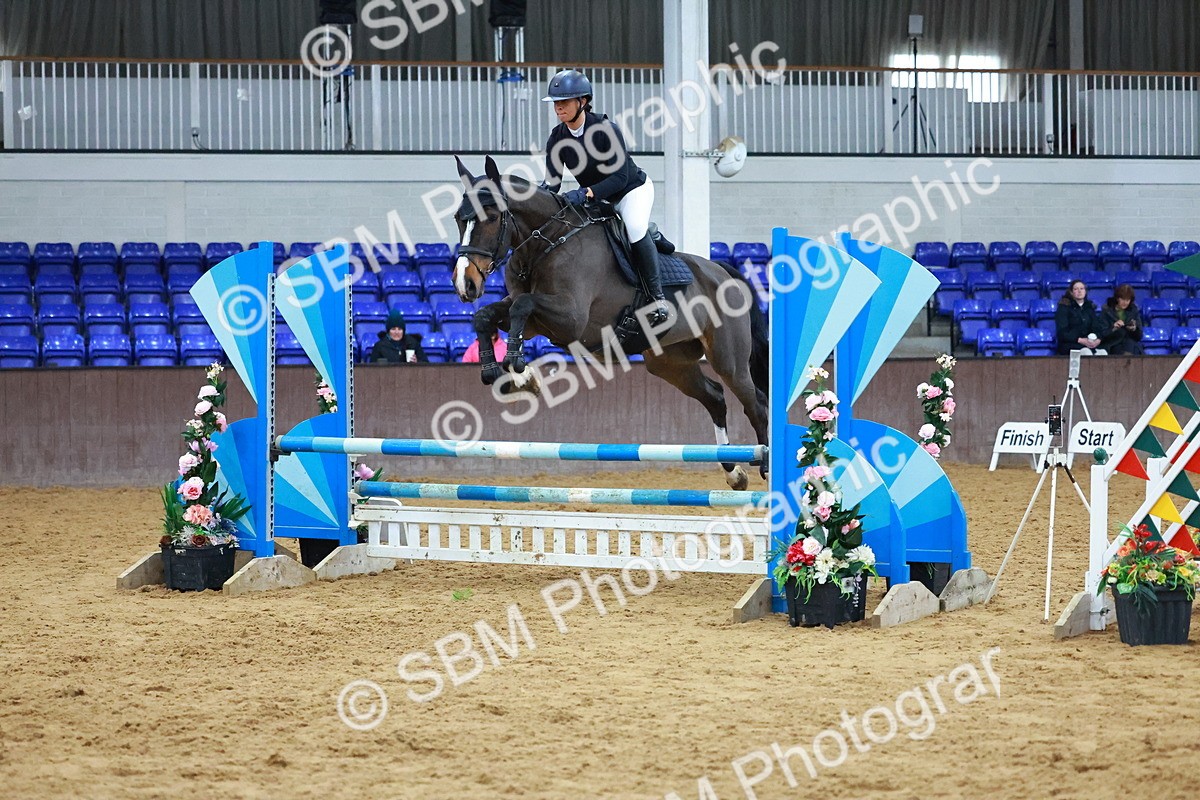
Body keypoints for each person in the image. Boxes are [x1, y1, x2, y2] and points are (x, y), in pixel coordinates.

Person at [539, 69, 669, 324]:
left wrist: (587, 192)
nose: (558, 108)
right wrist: (534, 196)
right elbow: (552, 183)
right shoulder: (557, 138)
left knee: (633, 227)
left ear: (583, 102)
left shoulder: (605, 129)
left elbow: (620, 177)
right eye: (556, 102)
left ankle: (657, 298)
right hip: (599, 199)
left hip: (632, 190)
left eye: (564, 102)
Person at [1055, 279, 1103, 355]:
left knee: (1102, 353)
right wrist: (1081, 340)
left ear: (1085, 291)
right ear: (1071, 292)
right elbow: (1062, 333)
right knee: (1086, 353)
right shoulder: (1064, 307)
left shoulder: (1089, 307)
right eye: (1076, 289)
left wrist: (1098, 340)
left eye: (1081, 288)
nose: (1079, 291)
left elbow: (1096, 327)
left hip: (1089, 344)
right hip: (1070, 344)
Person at [1098, 284, 1144, 355]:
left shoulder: (1133, 310)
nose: (1125, 303)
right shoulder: (1106, 311)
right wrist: (1114, 328)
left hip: (1130, 344)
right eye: (1122, 299)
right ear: (1117, 298)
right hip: (1113, 344)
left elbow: (1139, 336)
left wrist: (1134, 329)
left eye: (1127, 300)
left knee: (1131, 345)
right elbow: (1102, 335)